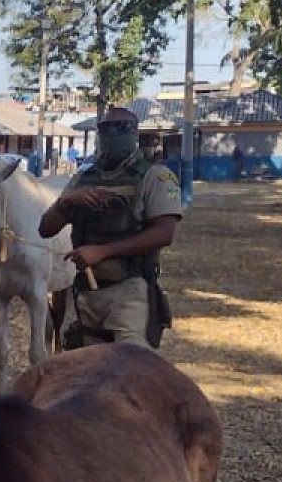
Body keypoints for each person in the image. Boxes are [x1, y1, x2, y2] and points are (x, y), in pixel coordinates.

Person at [38, 107, 182, 347]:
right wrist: (66, 202)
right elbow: (45, 229)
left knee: (130, 367)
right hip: (85, 292)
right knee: (83, 370)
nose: (112, 134)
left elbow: (164, 233)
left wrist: (102, 252)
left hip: (129, 288)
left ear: (135, 133)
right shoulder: (82, 179)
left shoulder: (154, 176)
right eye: (105, 128)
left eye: (121, 127)